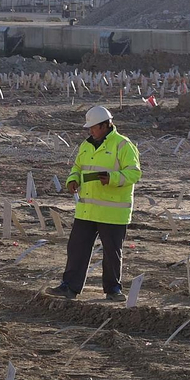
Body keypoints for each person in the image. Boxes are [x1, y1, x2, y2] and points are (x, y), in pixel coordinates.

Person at [48, 105, 141, 299]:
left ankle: (113, 290)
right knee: (77, 248)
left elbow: (134, 173)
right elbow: (77, 167)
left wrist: (113, 179)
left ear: (106, 125)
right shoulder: (86, 145)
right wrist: (72, 180)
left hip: (112, 212)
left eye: (94, 127)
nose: (90, 131)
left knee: (111, 252)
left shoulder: (123, 145)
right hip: (87, 209)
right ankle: (70, 286)